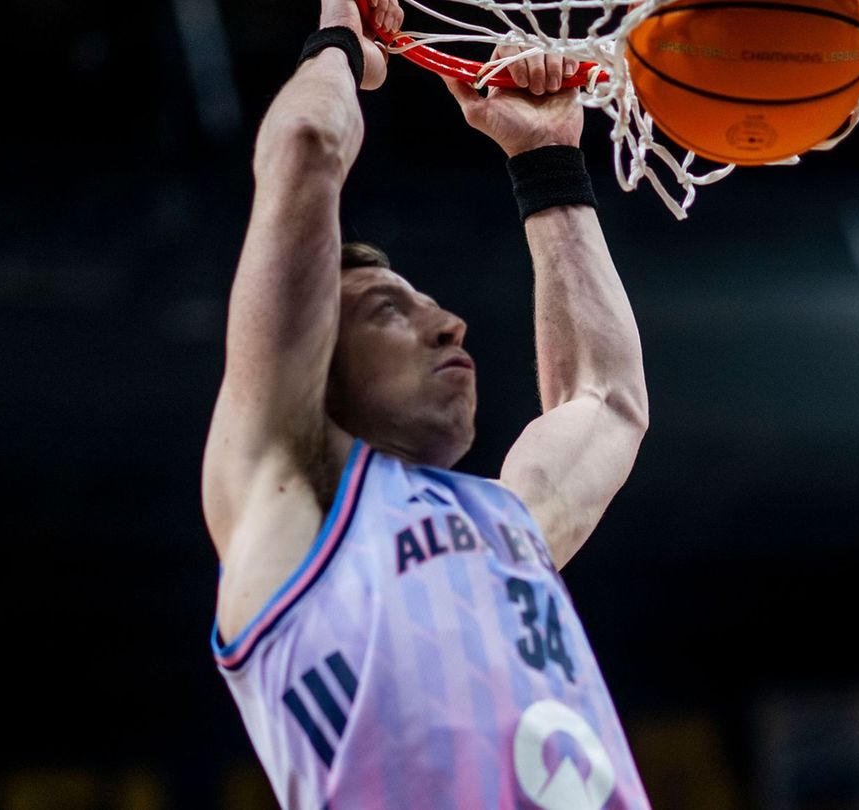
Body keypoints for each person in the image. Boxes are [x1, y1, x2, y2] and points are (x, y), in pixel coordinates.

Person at [200, 0, 651, 803]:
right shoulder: (284, 504)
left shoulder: (509, 525)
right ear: (314, 373)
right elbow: (305, 149)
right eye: (387, 312)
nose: (448, 324)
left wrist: (545, 159)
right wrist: (339, 40)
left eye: (427, 304)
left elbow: (606, 400)